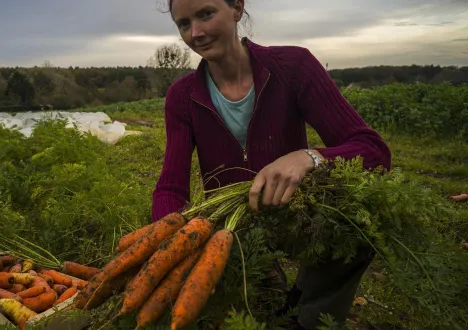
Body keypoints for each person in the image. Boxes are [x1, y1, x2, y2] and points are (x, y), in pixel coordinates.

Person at [150, 0, 392, 329]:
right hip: (232, 231)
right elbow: (171, 186)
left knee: (359, 222)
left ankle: (312, 317)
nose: (197, 33)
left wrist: (310, 157)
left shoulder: (293, 67)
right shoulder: (182, 96)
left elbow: (373, 150)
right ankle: (273, 292)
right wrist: (169, 247)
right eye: (184, 24)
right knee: (255, 310)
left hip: (298, 212)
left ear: (236, 8)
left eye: (206, 14)